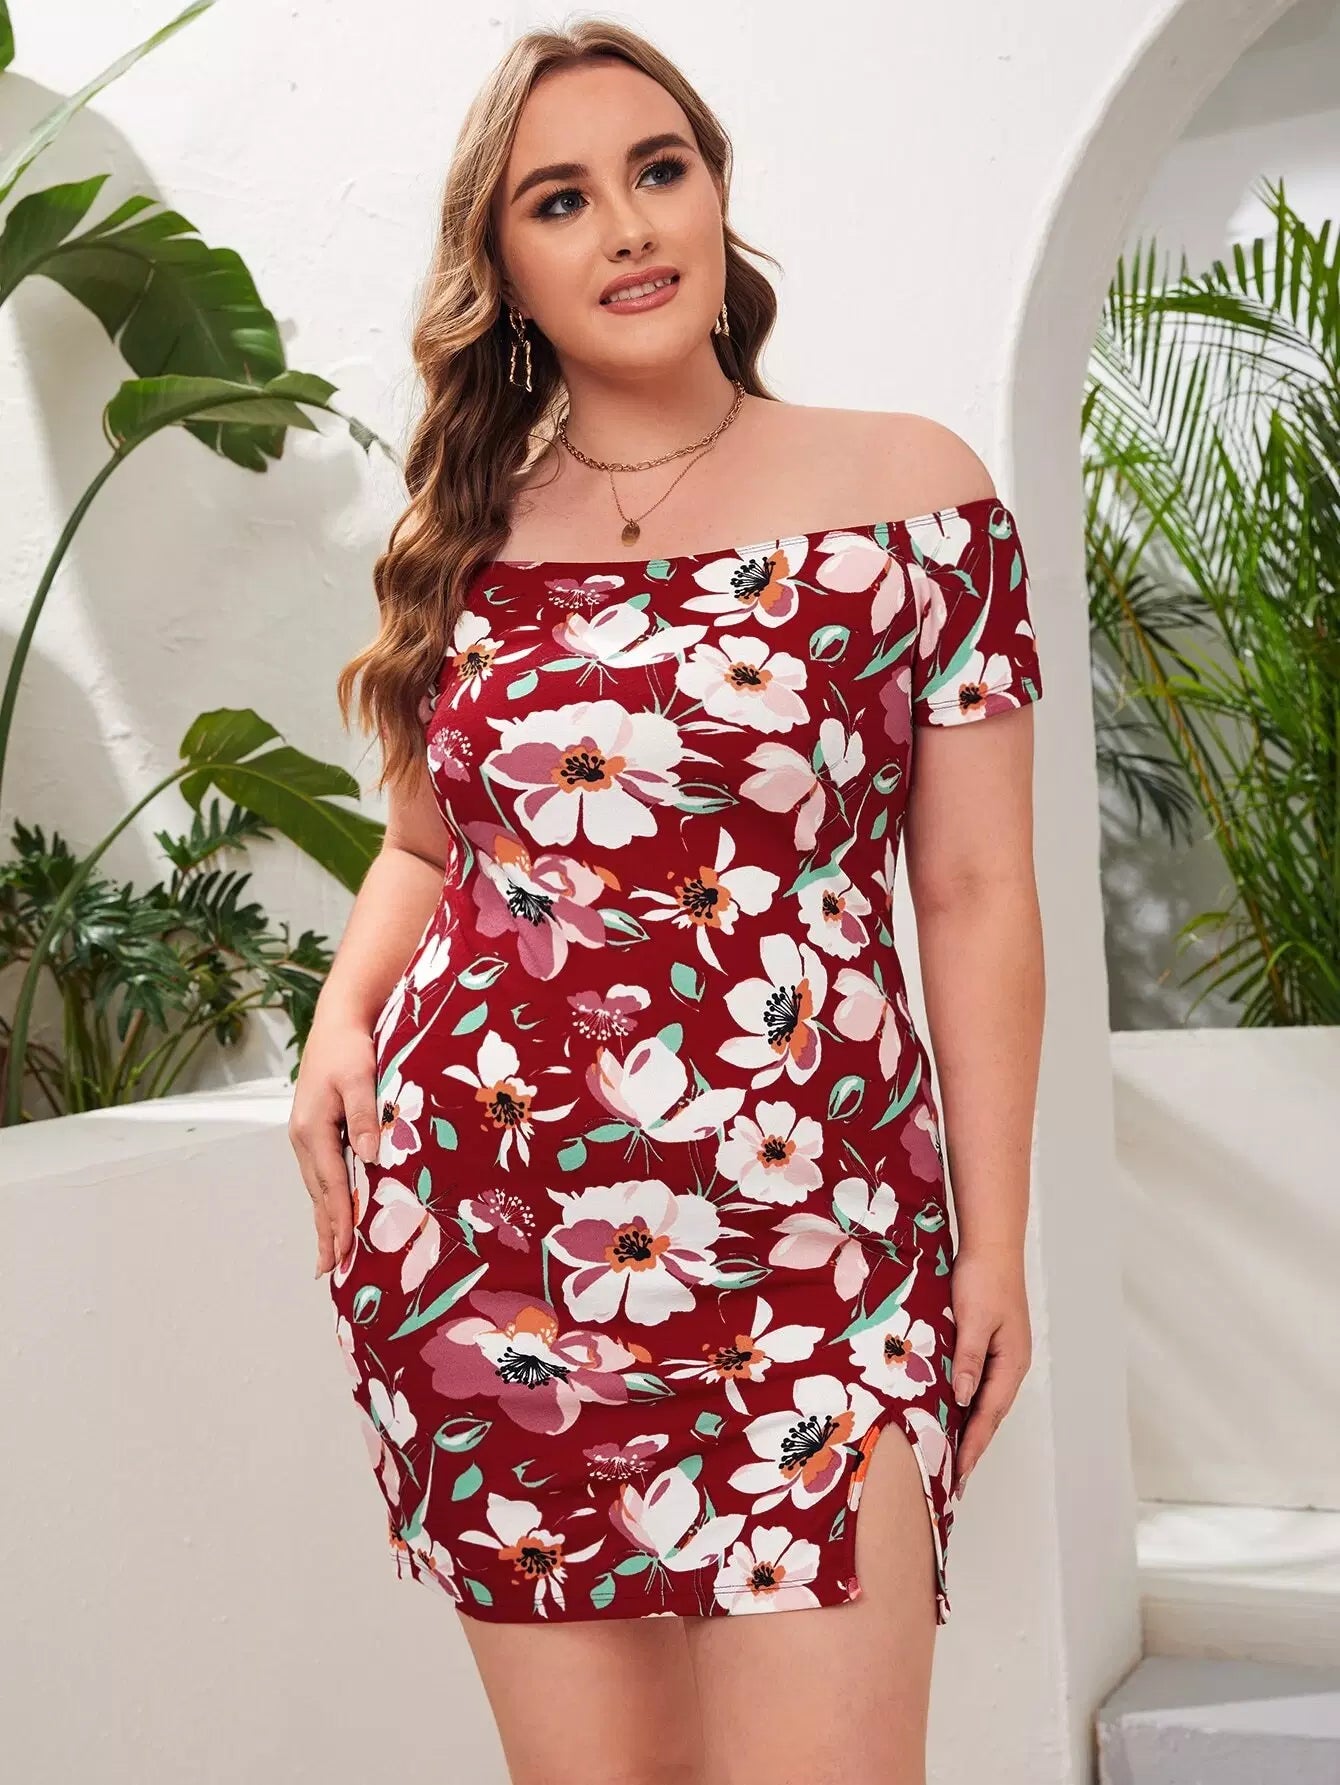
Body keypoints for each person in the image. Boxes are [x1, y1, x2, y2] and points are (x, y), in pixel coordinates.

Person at [288, 18, 1045, 1785]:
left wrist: (994, 1241)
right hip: (489, 1257)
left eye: (658, 170)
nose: (626, 226)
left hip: (818, 1248)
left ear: (716, 195)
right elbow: (428, 848)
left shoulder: (917, 498)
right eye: (560, 199)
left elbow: (976, 888)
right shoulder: (461, 539)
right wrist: (339, 1012)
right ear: (503, 269)